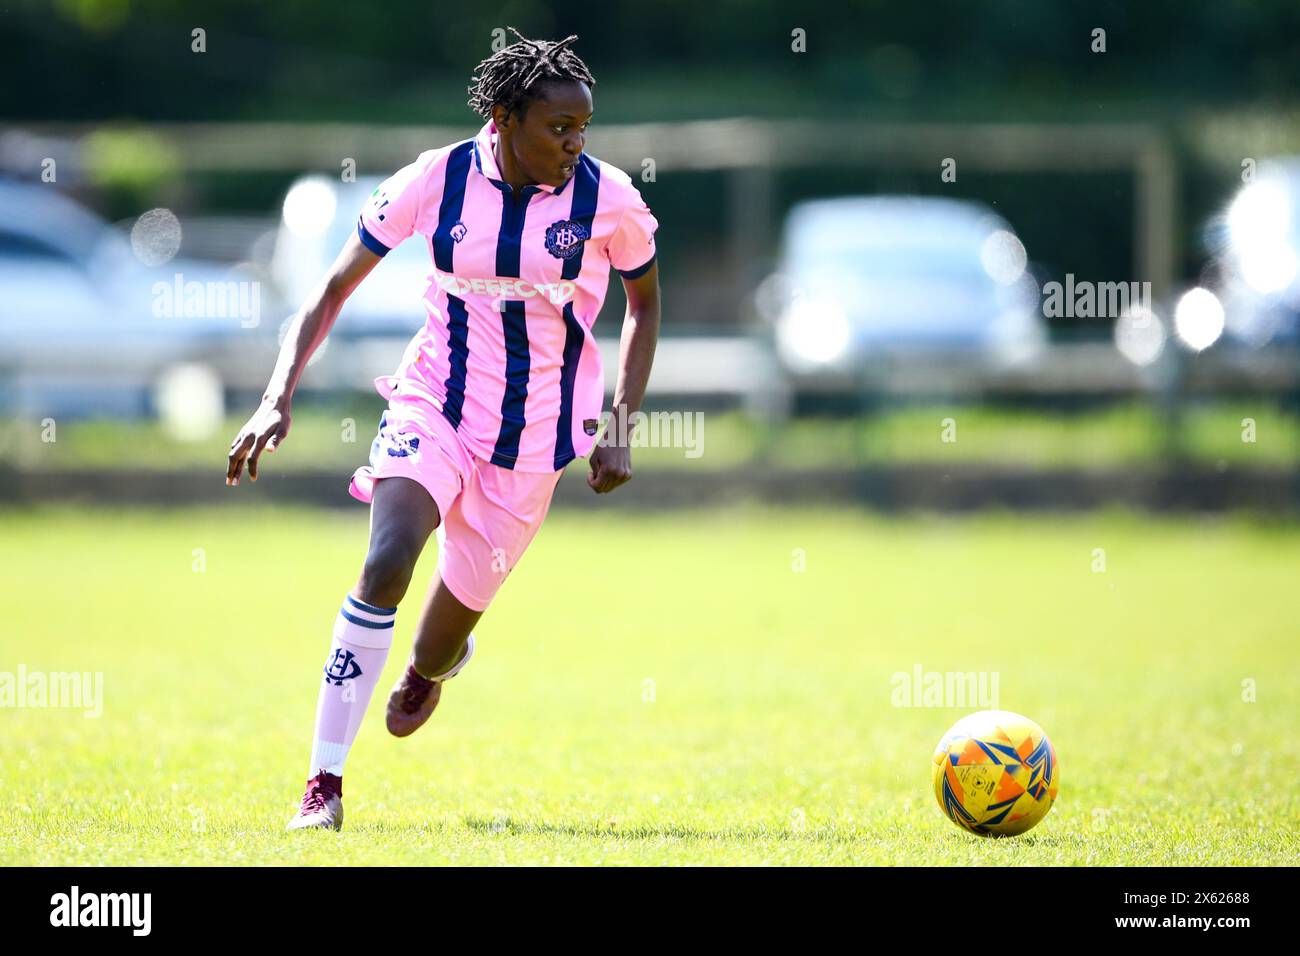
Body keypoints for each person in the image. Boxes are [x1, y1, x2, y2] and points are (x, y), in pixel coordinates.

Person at [224, 29, 661, 831]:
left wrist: (620, 423)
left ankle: (432, 664)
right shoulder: (438, 177)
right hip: (434, 403)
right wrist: (275, 395)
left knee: (429, 649)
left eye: (583, 129)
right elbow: (332, 288)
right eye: (557, 128)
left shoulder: (608, 199)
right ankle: (322, 785)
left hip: (533, 442)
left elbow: (643, 303)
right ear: (503, 117)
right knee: (388, 558)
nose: (573, 144)